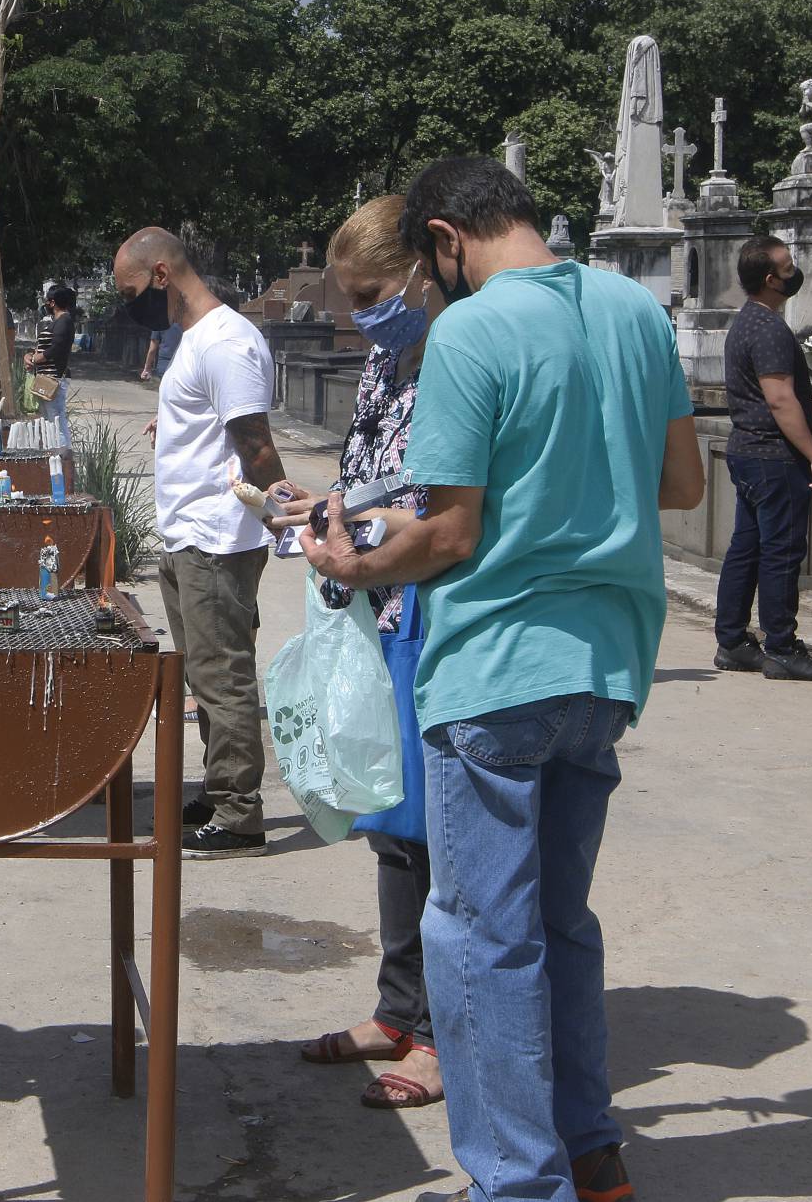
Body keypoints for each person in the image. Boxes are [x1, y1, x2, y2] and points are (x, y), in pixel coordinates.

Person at [293, 158, 703, 1202]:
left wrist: (355, 562)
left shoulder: (470, 332)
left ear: (444, 236)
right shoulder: (634, 311)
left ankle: (519, 1185)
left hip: (495, 669)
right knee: (560, 924)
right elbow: (683, 482)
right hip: (607, 659)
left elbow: (454, 531)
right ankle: (589, 1151)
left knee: (480, 937)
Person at [293, 196, 445, 1112]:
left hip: (430, 606)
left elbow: (446, 504)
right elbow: (376, 474)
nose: (360, 314)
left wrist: (367, 523)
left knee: (434, 835)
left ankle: (435, 1033)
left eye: (374, 292)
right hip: (377, 605)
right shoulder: (390, 361)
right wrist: (325, 504)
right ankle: (399, 1006)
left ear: (424, 270)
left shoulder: (461, 355)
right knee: (388, 822)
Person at [116, 227, 303, 860]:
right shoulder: (193, 339)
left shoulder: (227, 341)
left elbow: (254, 441)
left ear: (162, 274)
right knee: (203, 672)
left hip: (218, 538)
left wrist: (288, 508)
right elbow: (211, 421)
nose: (129, 302)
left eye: (132, 289)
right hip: (188, 531)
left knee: (222, 676)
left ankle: (240, 814)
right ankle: (220, 789)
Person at [712, 235, 812, 681]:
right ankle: (782, 647)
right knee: (782, 552)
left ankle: (732, 641)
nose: (794, 272)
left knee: (746, 548)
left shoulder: (747, 321)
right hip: (774, 457)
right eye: (787, 268)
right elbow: (780, 400)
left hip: (748, 452)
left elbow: (775, 395)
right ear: (770, 280)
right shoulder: (769, 328)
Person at [25, 284, 76, 447]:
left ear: (52, 303)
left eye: (47, 302)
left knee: (56, 421)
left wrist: (37, 358)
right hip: (46, 377)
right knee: (49, 420)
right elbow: (44, 346)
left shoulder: (64, 321)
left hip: (54, 378)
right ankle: (56, 455)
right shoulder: (57, 321)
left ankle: (63, 457)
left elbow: (57, 348)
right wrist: (29, 355)